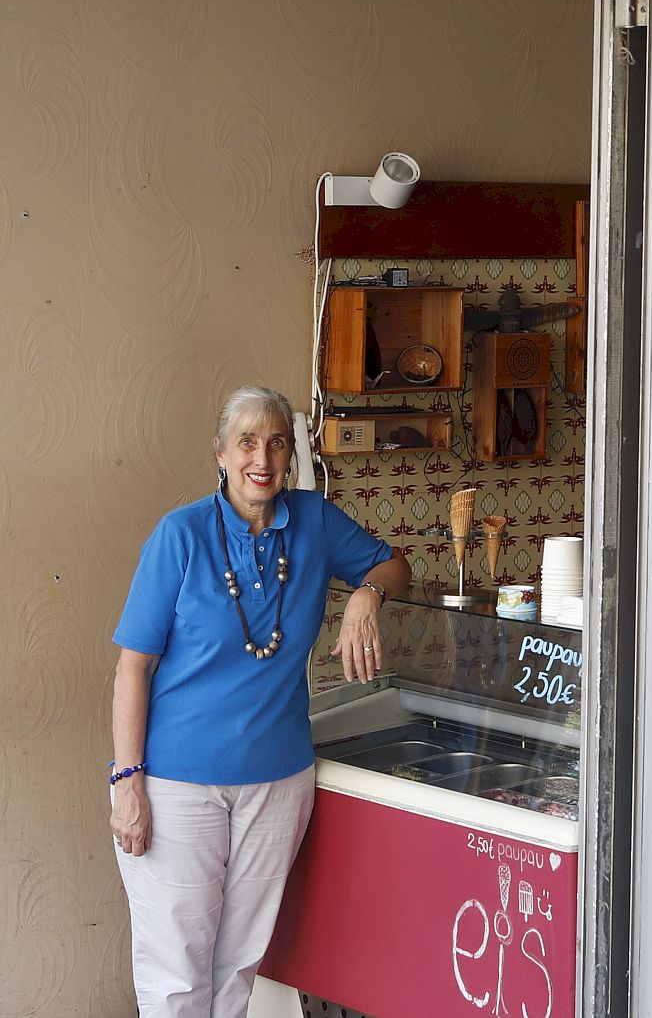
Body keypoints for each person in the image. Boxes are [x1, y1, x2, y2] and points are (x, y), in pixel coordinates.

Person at [109, 385, 411, 1017]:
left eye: (277, 443)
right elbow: (132, 668)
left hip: (278, 780)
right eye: (247, 442)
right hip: (177, 782)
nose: (263, 459)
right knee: (176, 971)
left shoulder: (314, 520)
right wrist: (127, 781)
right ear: (220, 453)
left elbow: (392, 567)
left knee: (240, 965)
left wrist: (365, 597)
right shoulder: (181, 535)